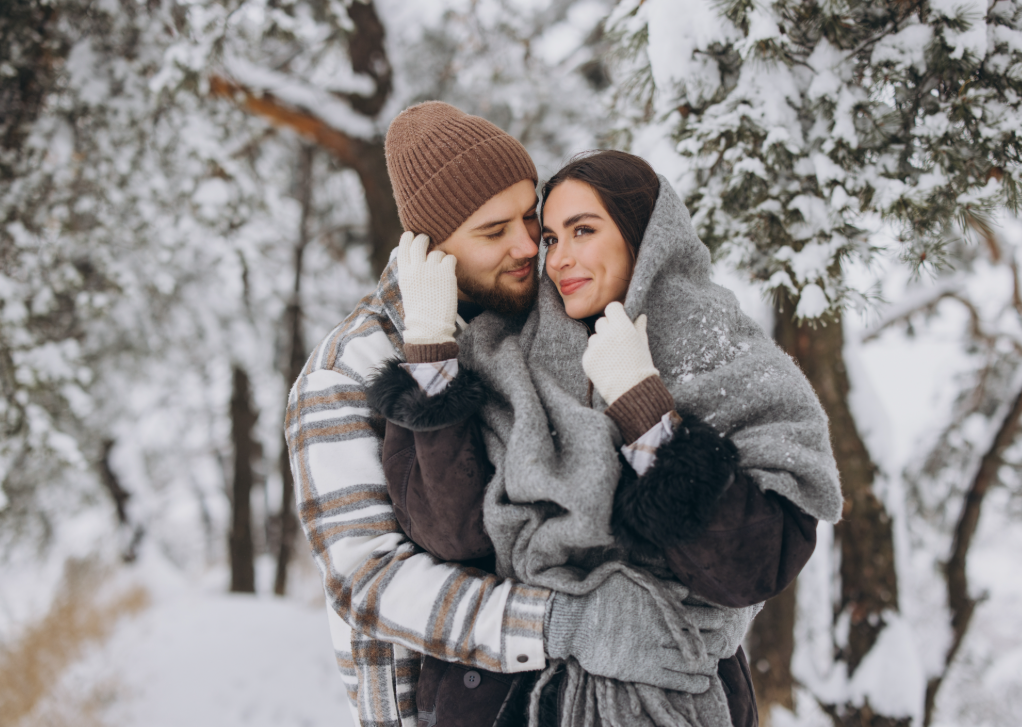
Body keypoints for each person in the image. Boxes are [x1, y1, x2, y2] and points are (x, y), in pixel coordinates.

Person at [368, 150, 844, 726]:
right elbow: (449, 533)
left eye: (583, 231)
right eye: (549, 238)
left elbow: (752, 566)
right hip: (511, 699)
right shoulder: (501, 355)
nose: (559, 258)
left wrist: (648, 413)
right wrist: (428, 346)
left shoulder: (729, 357)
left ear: (647, 238)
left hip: (678, 689)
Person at [283, 104, 712, 727]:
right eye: (492, 232)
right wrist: (563, 622)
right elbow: (368, 580)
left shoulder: (556, 310)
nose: (525, 246)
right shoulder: (345, 369)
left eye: (529, 216)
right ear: (429, 246)